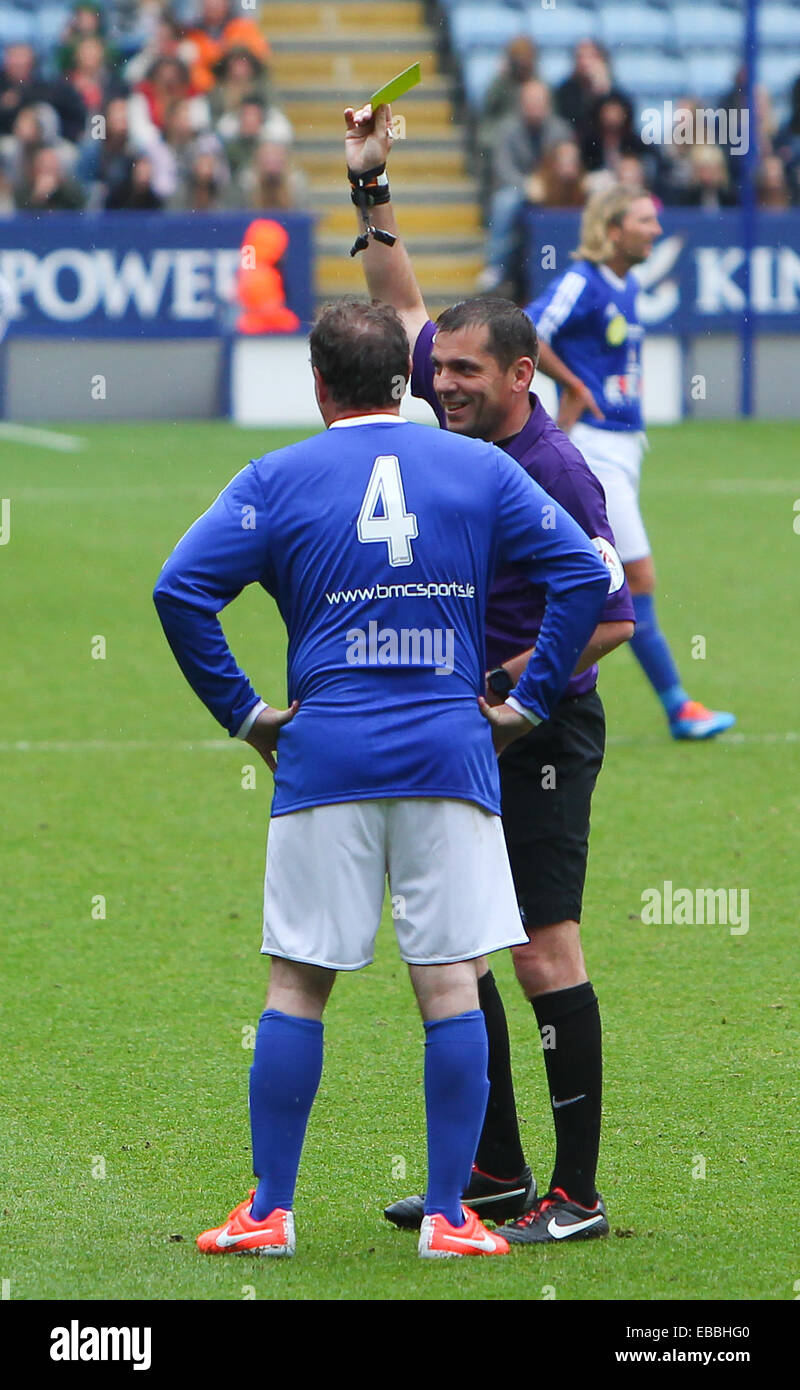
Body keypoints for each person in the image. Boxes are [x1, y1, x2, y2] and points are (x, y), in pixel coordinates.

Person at [153, 297, 611, 1260]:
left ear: (316, 384)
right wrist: (524, 704)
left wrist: (245, 713)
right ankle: (452, 1216)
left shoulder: (275, 478)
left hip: (326, 756)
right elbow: (582, 573)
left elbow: (179, 587)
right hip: (452, 755)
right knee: (450, 984)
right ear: (407, 382)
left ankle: (270, 1212)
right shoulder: (479, 466)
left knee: (297, 986)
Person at [346, 101, 634, 1243]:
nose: (440, 385)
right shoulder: (468, 430)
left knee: (538, 950)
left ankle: (576, 1192)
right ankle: (495, 1176)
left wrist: (509, 690)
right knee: (461, 945)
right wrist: (369, 187)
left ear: (522, 374)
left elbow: (608, 618)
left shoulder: (552, 468)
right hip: (474, 728)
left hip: (541, 736)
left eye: (464, 373)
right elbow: (401, 307)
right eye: (438, 373)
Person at [528, 184, 735, 740]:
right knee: (632, 578)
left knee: (579, 578)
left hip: (621, 447)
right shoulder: (582, 281)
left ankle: (520, 684)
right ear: (613, 228)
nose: (656, 230)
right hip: (594, 449)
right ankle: (676, 707)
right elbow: (525, 331)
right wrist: (572, 384)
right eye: (645, 220)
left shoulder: (626, 282)